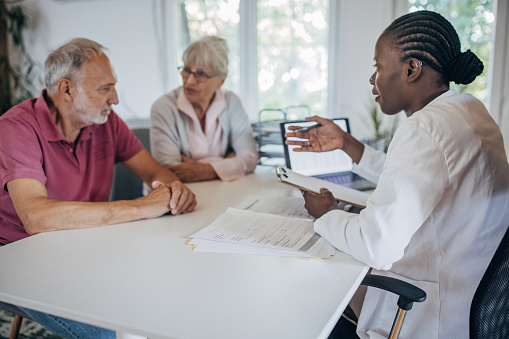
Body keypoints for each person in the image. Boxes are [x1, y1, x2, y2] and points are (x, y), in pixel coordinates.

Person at [285, 10, 509, 339]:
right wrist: (347, 144)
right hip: (467, 299)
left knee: (307, 306)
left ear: (411, 68)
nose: (372, 79)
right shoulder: (467, 110)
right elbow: (418, 175)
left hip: (428, 313)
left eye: (377, 66)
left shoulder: (425, 128)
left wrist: (328, 213)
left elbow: (377, 246)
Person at [0, 38, 197, 338]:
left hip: (89, 250)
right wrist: (142, 206)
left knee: (168, 291)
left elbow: (156, 172)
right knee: (112, 332)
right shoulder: (16, 128)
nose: (115, 99)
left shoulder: (107, 122)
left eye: (113, 86)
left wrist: (174, 190)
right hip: (22, 261)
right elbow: (36, 217)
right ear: (66, 89)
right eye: (104, 88)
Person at [150, 35, 258, 183]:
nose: (189, 81)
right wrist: (226, 163)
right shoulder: (163, 108)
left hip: (220, 190)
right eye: (187, 70)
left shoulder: (232, 102)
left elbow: (250, 158)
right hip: (173, 196)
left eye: (201, 74)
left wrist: (209, 170)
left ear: (220, 81)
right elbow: (172, 171)